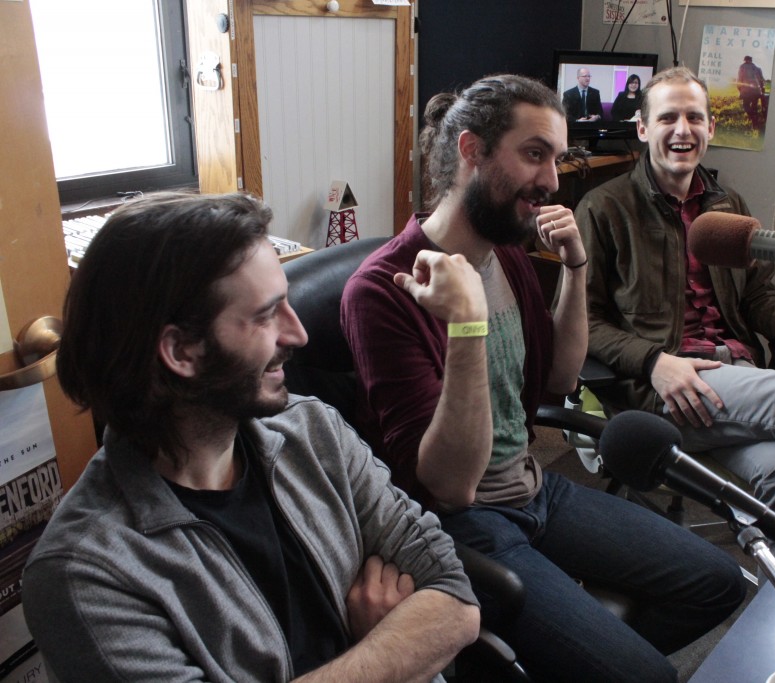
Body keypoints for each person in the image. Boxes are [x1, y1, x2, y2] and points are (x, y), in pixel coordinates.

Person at [341, 74, 745, 683]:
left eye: (556, 159)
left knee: (719, 582)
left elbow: (558, 380)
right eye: (534, 155)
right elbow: (449, 486)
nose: (552, 182)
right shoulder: (381, 290)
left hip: (536, 490)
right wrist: (467, 327)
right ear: (472, 151)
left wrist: (576, 270)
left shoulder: (505, 253)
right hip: (462, 522)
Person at [21, 193, 479, 682]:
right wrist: (373, 648)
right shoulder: (86, 573)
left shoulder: (313, 430)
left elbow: (455, 597)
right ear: (181, 351)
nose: (298, 334)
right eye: (266, 315)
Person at [575, 66, 775, 537]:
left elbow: (758, 292)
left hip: (736, 376)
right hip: (660, 391)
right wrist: (653, 362)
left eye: (694, 118)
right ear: (643, 129)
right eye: (667, 118)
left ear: (710, 128)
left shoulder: (729, 207)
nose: (682, 130)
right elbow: (583, 321)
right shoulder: (604, 209)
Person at [736, 55, 766, 133]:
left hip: (746, 91)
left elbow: (739, 78)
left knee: (746, 105)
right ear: (751, 60)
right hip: (756, 91)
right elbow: (761, 80)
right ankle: (755, 120)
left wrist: (739, 88)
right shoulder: (757, 68)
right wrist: (762, 90)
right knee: (754, 106)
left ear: (745, 60)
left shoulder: (742, 67)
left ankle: (753, 118)